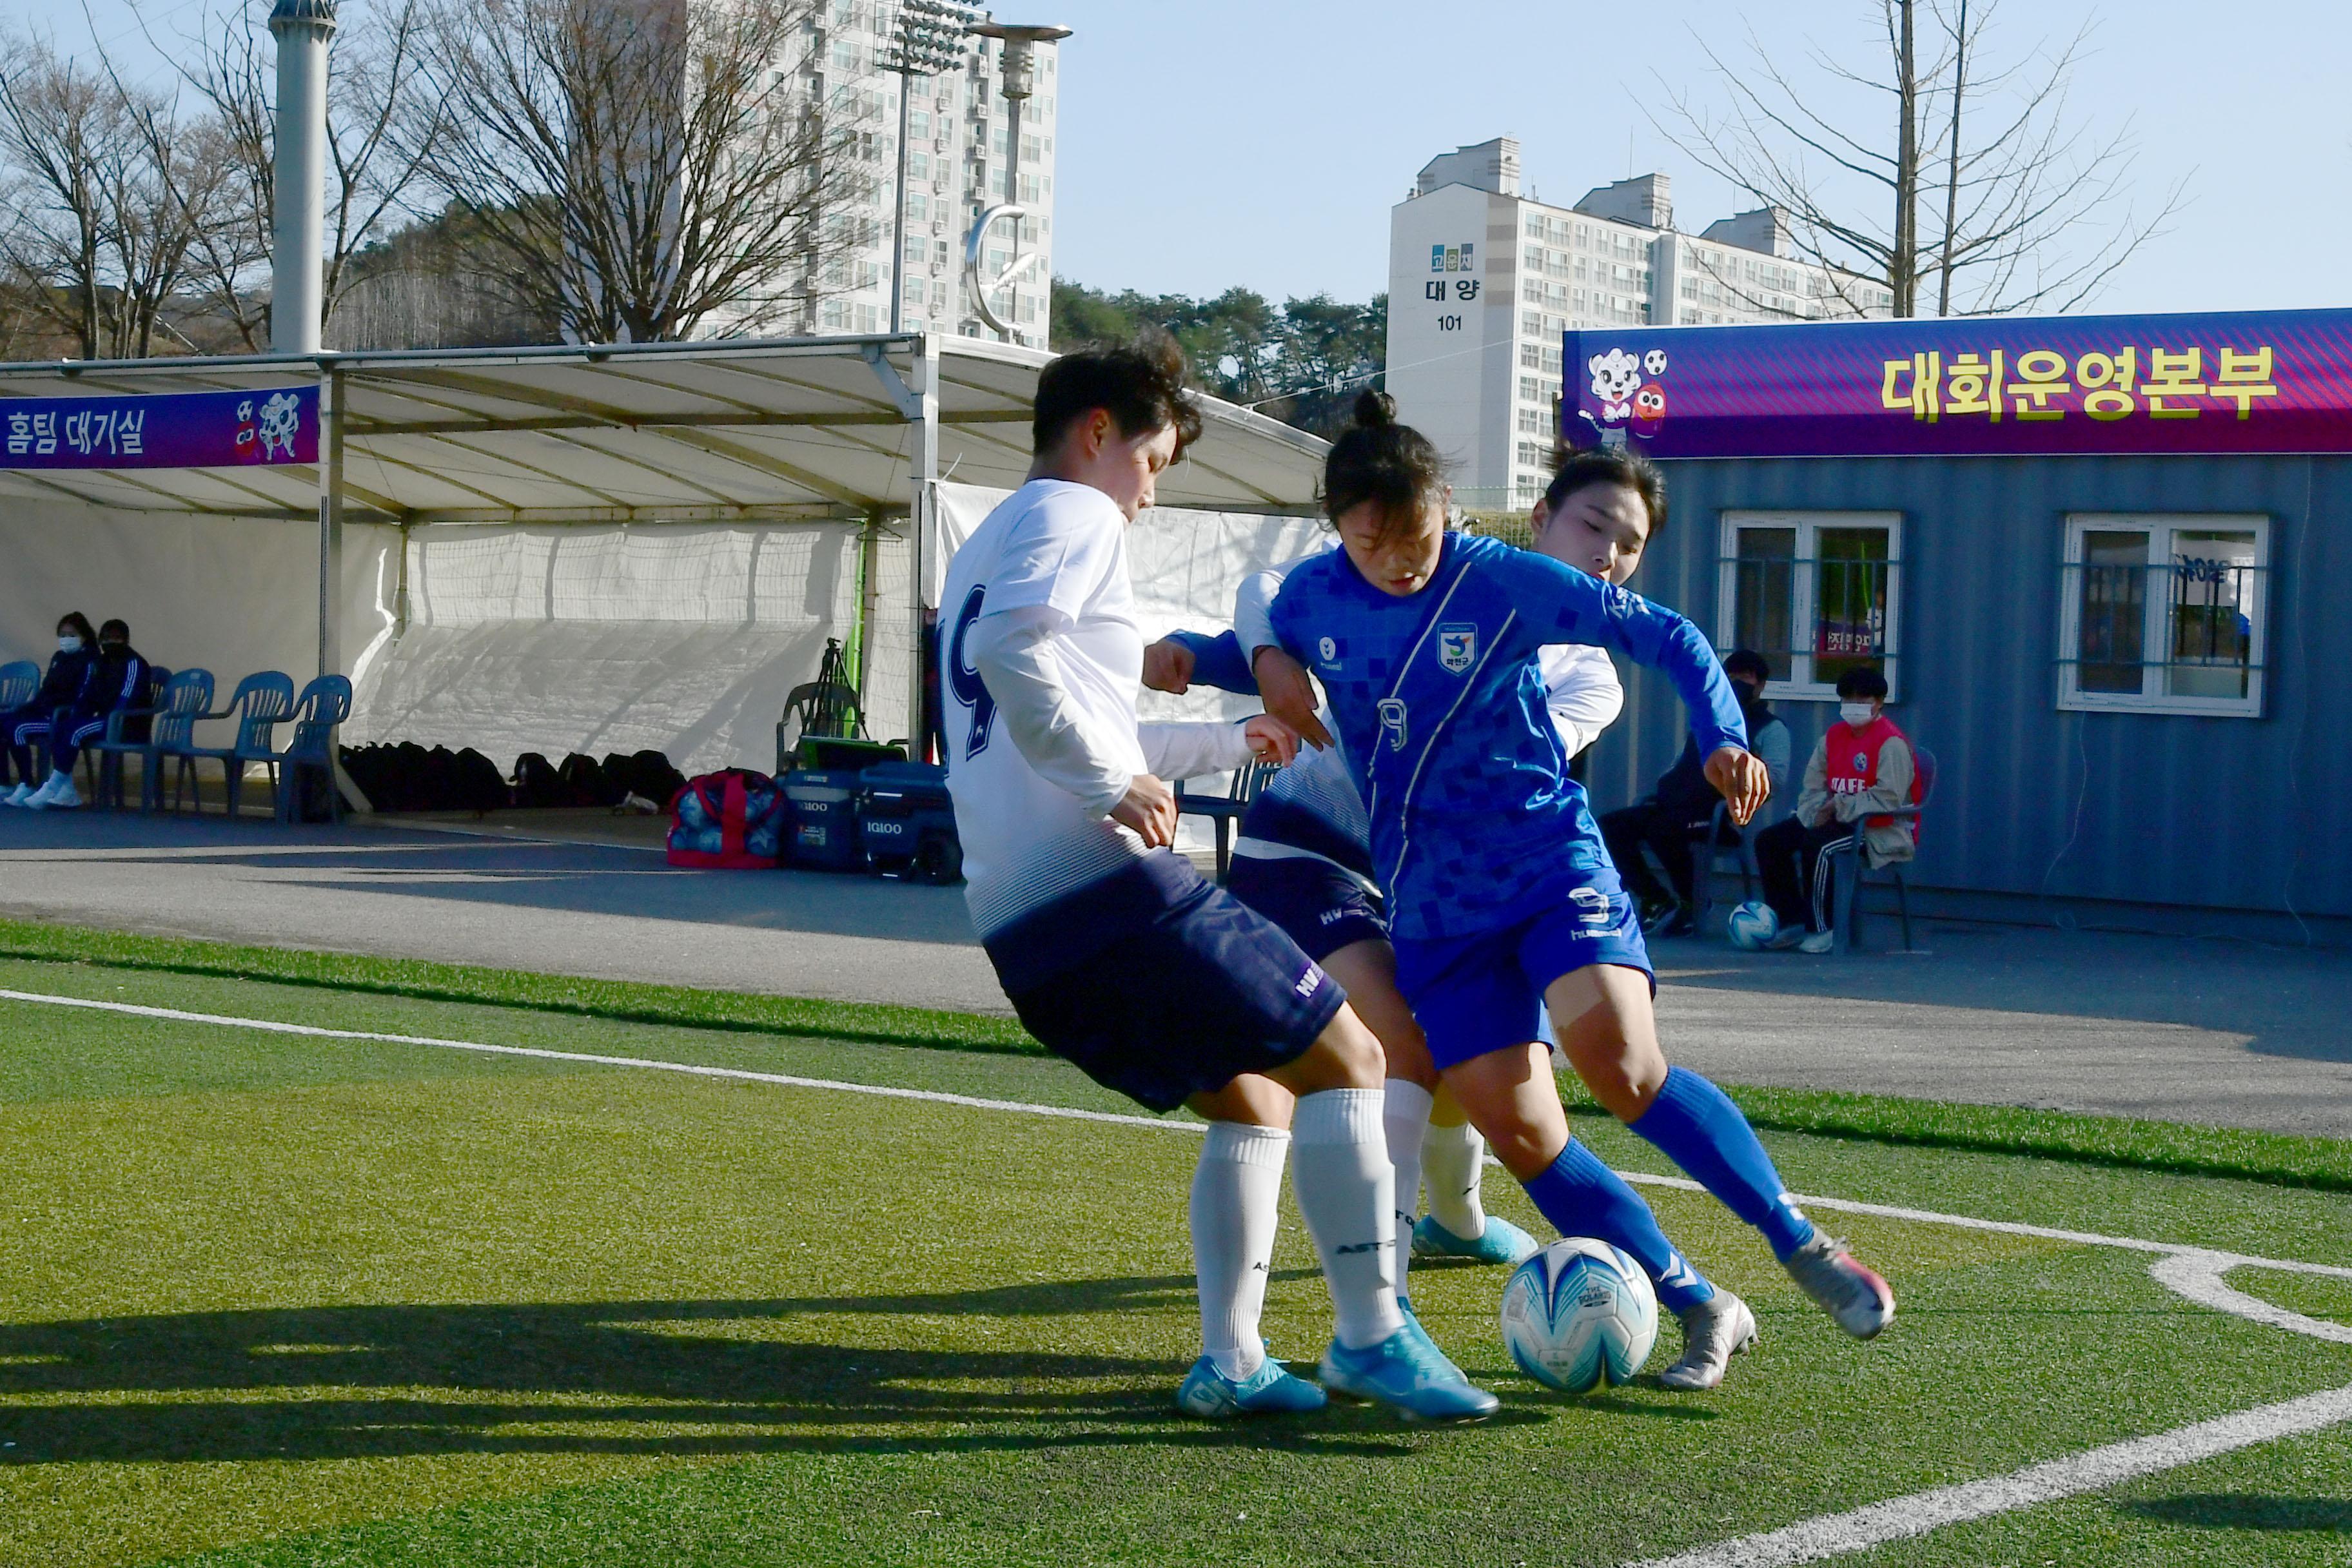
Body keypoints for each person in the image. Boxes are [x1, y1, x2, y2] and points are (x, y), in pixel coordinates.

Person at [1257, 394, 1896, 1391]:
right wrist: (1249, 655)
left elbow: (1674, 641)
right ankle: (1698, 1304)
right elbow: (1284, 625)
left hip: (1544, 874)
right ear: (1540, 514)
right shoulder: (1338, 585)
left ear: (1450, 518)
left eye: (1630, 544)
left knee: (1621, 1066)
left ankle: (1799, 1242)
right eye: (1595, 526)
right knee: (1518, 1128)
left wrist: (1723, 734)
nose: (1609, 554)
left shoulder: (1556, 637)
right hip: (1417, 901)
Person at [937, 339, 1495, 1423]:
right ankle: (1371, 1334)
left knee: (1254, 1098)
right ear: (1099, 430)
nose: (1149, 493)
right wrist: (1111, 780)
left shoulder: (982, 547)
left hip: (1019, 929)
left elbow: (1042, 699)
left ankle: (1230, 1360)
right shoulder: (1074, 513)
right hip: (1106, 891)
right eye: (1152, 461)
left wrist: (1225, 738)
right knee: (1353, 1057)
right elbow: (1019, 658)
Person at [1600, 649, 1789, 937]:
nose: (1738, 682)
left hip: (1718, 816)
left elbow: (1773, 781)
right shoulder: (1709, 723)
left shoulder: (1771, 728)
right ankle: (1655, 898)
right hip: (1673, 806)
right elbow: (1678, 766)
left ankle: (1694, 903)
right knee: (1611, 826)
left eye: (1747, 677)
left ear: (1761, 685)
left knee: (1664, 829)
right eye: (1732, 676)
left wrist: (1735, 791)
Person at [1754, 666, 1917, 954]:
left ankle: (1822, 927)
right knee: (1770, 840)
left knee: (1819, 846)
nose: (1854, 705)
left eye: (1863, 698)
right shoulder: (1832, 737)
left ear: (1879, 702)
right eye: (1848, 699)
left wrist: (1839, 806)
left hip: (1879, 829)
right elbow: (1813, 785)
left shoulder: (1891, 742)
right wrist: (1813, 812)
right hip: (1835, 819)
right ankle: (1791, 920)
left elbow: (1889, 798)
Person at [1, 612, 99, 808]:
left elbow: (84, 693)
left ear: (84, 635)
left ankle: (27, 782)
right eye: (62, 635)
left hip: (60, 717)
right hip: (43, 711)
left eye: (71, 635)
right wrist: (30, 707)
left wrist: (66, 713)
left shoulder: (90, 660)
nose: (66, 640)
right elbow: (47, 689)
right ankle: (4, 782)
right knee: (4, 721)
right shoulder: (59, 658)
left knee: (17, 729)